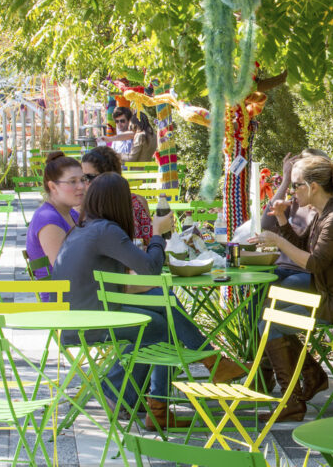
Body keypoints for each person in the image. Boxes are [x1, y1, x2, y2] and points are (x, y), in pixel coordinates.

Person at [51, 173, 238, 430]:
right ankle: (154, 397)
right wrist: (157, 233)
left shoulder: (84, 228)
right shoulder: (106, 230)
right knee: (162, 325)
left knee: (164, 307)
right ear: (118, 202)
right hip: (91, 322)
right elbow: (150, 269)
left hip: (81, 315)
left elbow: (117, 280)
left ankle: (188, 383)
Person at [250, 154, 333, 421]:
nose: (292, 192)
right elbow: (304, 246)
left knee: (268, 324)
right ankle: (310, 375)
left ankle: (293, 397)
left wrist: (278, 242)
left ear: (313, 187)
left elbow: (314, 263)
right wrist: (282, 219)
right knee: (267, 310)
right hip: (325, 293)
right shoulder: (325, 212)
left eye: (296, 185)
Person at [259, 149, 331, 289]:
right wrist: (285, 180)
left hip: (307, 272)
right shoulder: (296, 202)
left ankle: (265, 311)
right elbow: (267, 223)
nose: (293, 189)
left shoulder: (325, 208)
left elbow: (317, 257)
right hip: (283, 267)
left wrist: (280, 238)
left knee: (284, 288)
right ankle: (258, 311)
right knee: (259, 281)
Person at [25, 151, 87, 302]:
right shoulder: (48, 219)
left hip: (80, 294)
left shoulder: (71, 213)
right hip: (63, 302)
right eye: (72, 181)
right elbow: (66, 270)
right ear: (52, 186)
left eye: (83, 179)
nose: (81, 186)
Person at [81, 145, 153, 245]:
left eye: (89, 177)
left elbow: (149, 245)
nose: (84, 183)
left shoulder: (138, 203)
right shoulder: (81, 208)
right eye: (83, 177)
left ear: (108, 176)